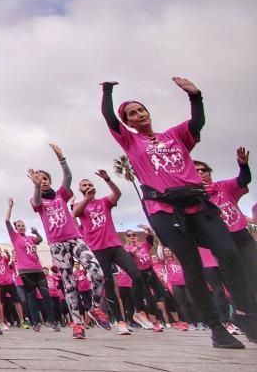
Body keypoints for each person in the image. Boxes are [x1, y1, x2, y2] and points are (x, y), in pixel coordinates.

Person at [101, 77, 257, 348]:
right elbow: (109, 118)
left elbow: (197, 124)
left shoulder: (174, 135)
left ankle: (245, 313)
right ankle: (216, 328)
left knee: (229, 252)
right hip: (164, 210)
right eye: (132, 114)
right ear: (128, 122)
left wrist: (195, 96)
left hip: (198, 205)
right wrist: (108, 90)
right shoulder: (131, 142)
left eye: (141, 110)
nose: (139, 115)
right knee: (192, 266)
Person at [26, 144, 111, 339]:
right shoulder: (37, 201)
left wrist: (61, 158)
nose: (43, 181)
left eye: (45, 178)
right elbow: (37, 201)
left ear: (51, 181)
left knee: (97, 272)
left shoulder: (61, 195)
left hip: (75, 239)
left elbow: (68, 178)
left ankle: (96, 308)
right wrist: (36, 186)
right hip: (57, 245)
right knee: (69, 283)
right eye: (39, 179)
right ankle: (77, 324)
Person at [72, 169, 147, 334]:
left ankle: (138, 311)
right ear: (81, 190)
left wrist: (107, 179)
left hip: (114, 245)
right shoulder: (80, 204)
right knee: (109, 285)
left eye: (90, 184)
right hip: (98, 250)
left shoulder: (104, 202)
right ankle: (120, 322)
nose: (88, 186)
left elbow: (117, 194)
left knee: (136, 275)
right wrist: (86, 198)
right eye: (84, 185)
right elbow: (75, 213)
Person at [195, 148, 257, 294]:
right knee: (238, 279)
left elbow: (243, 180)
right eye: (196, 171)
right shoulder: (194, 199)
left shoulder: (223, 186)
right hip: (221, 241)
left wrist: (243, 166)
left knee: (254, 271)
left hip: (241, 236)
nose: (201, 173)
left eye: (204, 170)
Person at [4, 198, 56, 332]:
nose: (21, 227)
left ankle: (52, 321)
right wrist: (10, 207)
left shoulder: (30, 238)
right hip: (25, 271)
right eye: (19, 226)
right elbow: (7, 222)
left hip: (38, 269)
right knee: (31, 297)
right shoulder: (15, 237)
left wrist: (36, 233)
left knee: (46, 294)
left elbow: (40, 240)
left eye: (23, 225)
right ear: (16, 229)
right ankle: (35, 323)